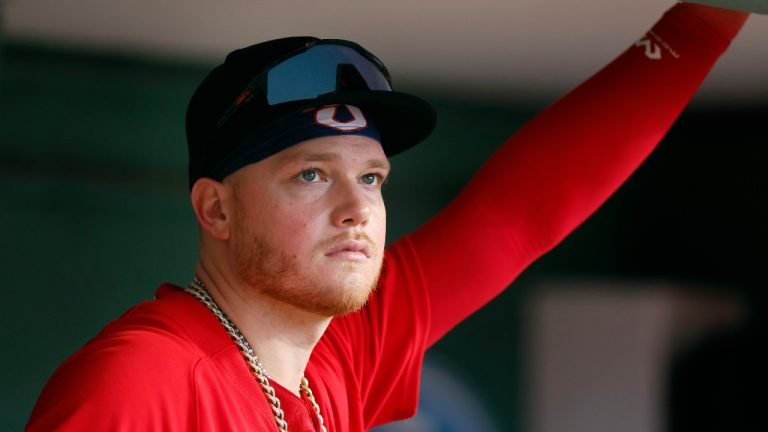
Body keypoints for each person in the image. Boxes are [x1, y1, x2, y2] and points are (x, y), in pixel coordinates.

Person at [27, 2, 750, 431]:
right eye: (310, 174)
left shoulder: (341, 351)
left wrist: (703, 21)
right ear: (216, 207)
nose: (356, 210)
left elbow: (520, 213)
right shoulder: (138, 382)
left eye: (371, 177)